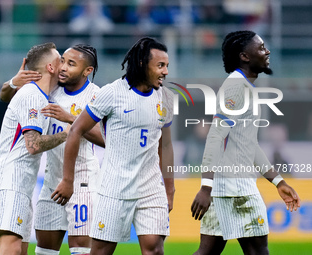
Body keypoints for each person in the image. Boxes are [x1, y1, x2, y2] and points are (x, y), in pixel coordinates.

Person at [52, 37, 175, 255]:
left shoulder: (165, 97)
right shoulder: (112, 93)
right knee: (100, 251)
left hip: (151, 187)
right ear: (141, 64)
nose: (165, 71)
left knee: (155, 249)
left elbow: (165, 146)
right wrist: (68, 180)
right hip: (114, 188)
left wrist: (169, 189)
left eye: (166, 66)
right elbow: (76, 130)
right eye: (160, 65)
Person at [191, 30, 301, 255]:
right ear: (244, 56)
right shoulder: (236, 87)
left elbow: (249, 145)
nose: (267, 51)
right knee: (259, 251)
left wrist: (278, 182)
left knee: (207, 252)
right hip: (237, 189)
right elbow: (215, 135)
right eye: (261, 48)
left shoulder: (244, 87)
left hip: (226, 187)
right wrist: (205, 186)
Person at [0, 44, 105, 255]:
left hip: (82, 181)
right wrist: (13, 82)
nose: (63, 67)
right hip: (51, 183)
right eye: (63, 61)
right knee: (44, 250)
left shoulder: (96, 95)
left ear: (88, 71)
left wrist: (72, 119)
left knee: (81, 249)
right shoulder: (51, 88)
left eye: (71, 64)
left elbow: (106, 139)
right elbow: (8, 97)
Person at [0, 42, 67, 255]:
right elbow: (33, 145)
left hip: (20, 183)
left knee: (19, 251)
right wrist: (69, 133)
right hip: (10, 181)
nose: (65, 65)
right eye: (61, 60)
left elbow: (6, 95)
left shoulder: (38, 94)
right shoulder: (32, 95)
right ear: (50, 67)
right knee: (11, 250)